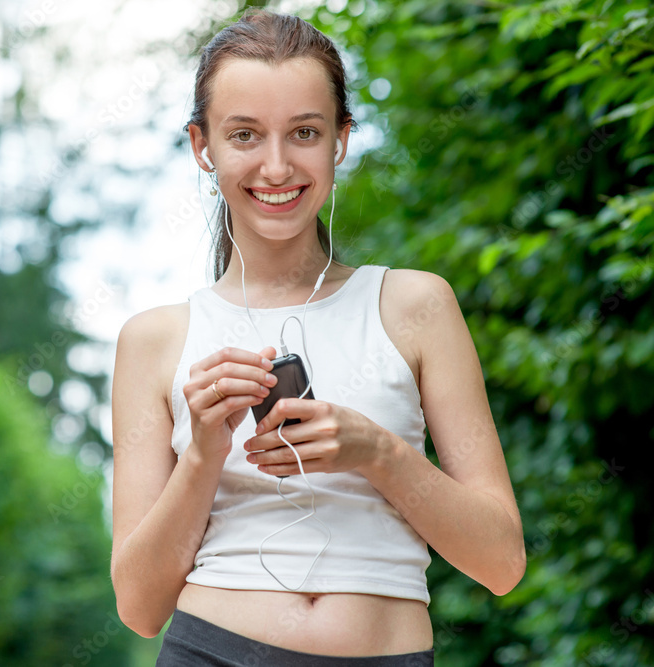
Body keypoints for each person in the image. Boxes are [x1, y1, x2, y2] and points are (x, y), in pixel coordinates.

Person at [110, 9, 525, 665]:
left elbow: (502, 560)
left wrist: (376, 451)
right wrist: (203, 453)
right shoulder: (153, 339)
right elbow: (138, 607)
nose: (276, 166)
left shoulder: (416, 304)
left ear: (340, 138)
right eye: (244, 134)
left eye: (304, 132)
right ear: (202, 146)